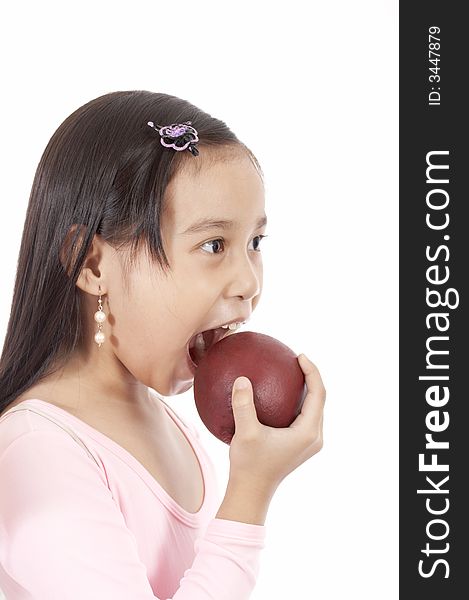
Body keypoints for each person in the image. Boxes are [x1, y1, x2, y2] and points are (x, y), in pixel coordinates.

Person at [0, 90, 326, 599]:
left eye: (255, 244)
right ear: (92, 265)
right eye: (213, 245)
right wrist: (250, 494)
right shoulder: (39, 452)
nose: (248, 281)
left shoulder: (168, 423)